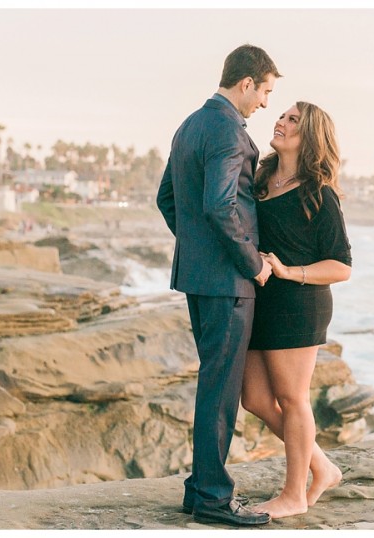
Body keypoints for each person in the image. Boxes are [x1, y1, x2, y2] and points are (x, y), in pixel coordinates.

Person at [156, 44, 281, 527]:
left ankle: (197, 489)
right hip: (228, 280)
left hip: (198, 276)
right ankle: (211, 496)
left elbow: (167, 199)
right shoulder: (229, 130)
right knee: (220, 389)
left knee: (213, 382)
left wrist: (199, 251)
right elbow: (220, 205)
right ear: (246, 83)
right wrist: (251, 264)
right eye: (266, 91)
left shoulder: (189, 124)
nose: (266, 104)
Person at [241, 101, 352, 519]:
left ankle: (294, 494)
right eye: (282, 116)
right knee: (253, 398)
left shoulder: (318, 192)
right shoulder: (262, 177)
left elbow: (341, 266)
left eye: (293, 121)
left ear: (310, 137)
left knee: (292, 397)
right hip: (260, 302)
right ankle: (322, 467)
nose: (281, 122)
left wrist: (290, 271)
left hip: (298, 305)